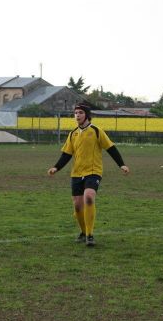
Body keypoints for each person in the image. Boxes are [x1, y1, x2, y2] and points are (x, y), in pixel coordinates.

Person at [48, 103, 129, 247]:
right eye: (75, 113)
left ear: (86, 115)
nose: (77, 115)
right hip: (77, 173)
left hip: (93, 171)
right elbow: (66, 154)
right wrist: (56, 167)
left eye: (80, 113)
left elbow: (111, 148)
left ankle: (90, 235)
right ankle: (84, 232)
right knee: (78, 207)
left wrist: (121, 164)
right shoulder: (73, 134)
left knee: (89, 198)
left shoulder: (97, 131)